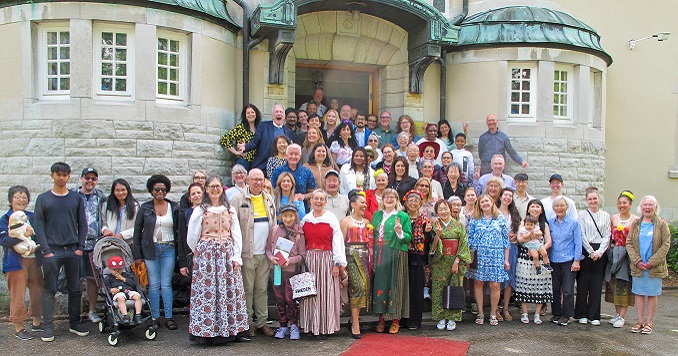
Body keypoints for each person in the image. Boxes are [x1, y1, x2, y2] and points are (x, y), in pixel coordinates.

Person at [186, 176, 250, 343]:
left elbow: (237, 234)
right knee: (208, 293)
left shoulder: (229, 209)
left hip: (227, 253)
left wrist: (236, 256)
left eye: (218, 186)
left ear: (222, 188)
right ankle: (208, 332)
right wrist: (200, 252)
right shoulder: (200, 210)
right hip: (207, 255)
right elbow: (192, 236)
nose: (215, 189)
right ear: (206, 189)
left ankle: (231, 330)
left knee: (228, 291)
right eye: (212, 186)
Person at [33, 162, 88, 341]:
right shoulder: (43, 199)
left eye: (65, 175)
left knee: (75, 289)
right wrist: (46, 250)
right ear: (52, 176)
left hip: (73, 251)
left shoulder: (76, 198)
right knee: (50, 290)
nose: (61, 178)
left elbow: (83, 224)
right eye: (58, 174)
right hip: (52, 252)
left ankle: (74, 323)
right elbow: (39, 226)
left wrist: (80, 248)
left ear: (69, 176)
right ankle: (48, 327)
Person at [230, 169, 277, 337]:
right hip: (247, 253)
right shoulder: (238, 199)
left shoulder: (269, 198)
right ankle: (247, 322)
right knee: (247, 289)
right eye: (255, 179)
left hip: (265, 254)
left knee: (262, 289)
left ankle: (262, 322)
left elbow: (275, 226)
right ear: (248, 180)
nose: (258, 182)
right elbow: (232, 227)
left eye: (261, 179)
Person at [132, 174, 180, 330]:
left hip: (169, 249)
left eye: (163, 189)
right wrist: (138, 255)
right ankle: (154, 317)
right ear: (151, 191)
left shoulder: (174, 207)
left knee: (166, 284)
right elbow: (137, 232)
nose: (160, 192)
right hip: (150, 249)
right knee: (153, 285)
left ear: (167, 191)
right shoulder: (145, 208)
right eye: (157, 189)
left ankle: (168, 317)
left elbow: (180, 230)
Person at [300, 189, 347, 336]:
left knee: (326, 292)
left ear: (326, 202)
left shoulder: (331, 219)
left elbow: (337, 242)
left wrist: (336, 263)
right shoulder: (306, 219)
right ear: (311, 201)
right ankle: (311, 325)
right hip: (309, 259)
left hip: (326, 258)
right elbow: (301, 241)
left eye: (321, 199)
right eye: (316, 199)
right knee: (310, 293)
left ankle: (326, 326)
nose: (318, 201)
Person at [0, 185, 43, 340]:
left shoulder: (32, 216)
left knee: (38, 290)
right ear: (11, 200)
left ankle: (37, 323)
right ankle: (19, 327)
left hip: (34, 261)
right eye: (17, 196)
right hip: (15, 262)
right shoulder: (5, 219)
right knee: (17, 295)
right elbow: (3, 239)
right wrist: (22, 235)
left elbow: (40, 236)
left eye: (24, 196)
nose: (21, 199)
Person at [626, 195, 671, 335]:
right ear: (641, 207)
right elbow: (629, 243)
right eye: (645, 205)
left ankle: (649, 323)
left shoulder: (661, 223)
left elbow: (665, 244)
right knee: (639, 293)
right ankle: (639, 321)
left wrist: (652, 261)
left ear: (655, 207)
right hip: (638, 265)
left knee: (652, 294)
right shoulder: (636, 223)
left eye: (650, 205)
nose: (647, 207)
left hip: (654, 267)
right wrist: (637, 261)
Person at [372, 188, 412, 334]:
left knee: (396, 284)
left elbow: (408, 238)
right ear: (382, 200)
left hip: (396, 252)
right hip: (379, 253)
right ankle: (381, 319)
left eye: (392, 197)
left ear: (397, 200)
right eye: (386, 197)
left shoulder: (402, 216)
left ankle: (395, 320)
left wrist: (399, 231)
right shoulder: (377, 215)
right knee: (380, 283)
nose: (389, 199)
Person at [467, 194, 509, 326]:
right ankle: (480, 312)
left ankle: (493, 312)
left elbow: (506, 241)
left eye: (487, 201)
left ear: (492, 203)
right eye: (482, 202)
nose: (485, 203)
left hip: (496, 256)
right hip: (479, 257)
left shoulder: (500, 219)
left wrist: (506, 260)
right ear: (479, 204)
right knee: (478, 283)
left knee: (495, 286)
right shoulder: (475, 219)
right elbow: (469, 239)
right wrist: (468, 258)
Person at [266, 203, 306, 340]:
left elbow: (302, 255)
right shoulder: (274, 230)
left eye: (291, 216)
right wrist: (272, 258)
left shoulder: (299, 232)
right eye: (285, 216)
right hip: (276, 269)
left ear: (295, 216)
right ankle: (283, 325)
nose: (288, 219)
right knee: (279, 297)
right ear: (281, 217)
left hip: (291, 270)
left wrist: (291, 260)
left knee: (290, 298)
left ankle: (294, 325)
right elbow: (268, 249)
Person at [431, 200, 471, 332]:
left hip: (455, 262)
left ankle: (452, 318)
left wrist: (457, 261)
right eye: (440, 209)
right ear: (437, 212)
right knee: (438, 290)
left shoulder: (459, 225)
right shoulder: (434, 226)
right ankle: (441, 317)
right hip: (440, 262)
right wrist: (437, 235)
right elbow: (431, 248)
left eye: (445, 208)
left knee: (454, 289)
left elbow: (464, 244)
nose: (443, 211)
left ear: (450, 209)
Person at [74, 167, 107, 324]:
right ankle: (76, 312)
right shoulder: (72, 196)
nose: (90, 181)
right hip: (77, 245)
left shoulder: (101, 197)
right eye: (87, 178)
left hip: (95, 245)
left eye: (93, 179)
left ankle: (92, 311)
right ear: (81, 178)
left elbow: (104, 217)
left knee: (92, 279)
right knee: (76, 280)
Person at [340, 190, 373, 339]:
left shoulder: (367, 223)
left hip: (365, 259)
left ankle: (353, 319)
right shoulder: (345, 221)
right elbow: (341, 244)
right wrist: (342, 265)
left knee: (364, 288)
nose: (364, 205)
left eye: (366, 202)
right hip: (351, 258)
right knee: (357, 288)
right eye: (362, 202)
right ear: (353, 204)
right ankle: (355, 324)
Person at [575, 187, 610, 326]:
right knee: (583, 283)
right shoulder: (582, 214)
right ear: (586, 200)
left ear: (599, 199)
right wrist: (590, 251)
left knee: (596, 284)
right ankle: (581, 314)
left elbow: (607, 235)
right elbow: (581, 234)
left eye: (595, 198)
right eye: (590, 199)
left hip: (600, 251)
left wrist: (600, 252)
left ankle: (594, 315)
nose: (593, 201)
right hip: (586, 249)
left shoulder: (606, 215)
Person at [514, 199, 553, 324]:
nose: (535, 209)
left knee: (540, 285)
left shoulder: (544, 224)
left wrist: (539, 249)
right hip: (525, 256)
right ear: (528, 209)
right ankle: (524, 313)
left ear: (541, 210)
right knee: (524, 285)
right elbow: (519, 238)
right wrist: (530, 243)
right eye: (532, 207)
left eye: (537, 207)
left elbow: (548, 242)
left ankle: (537, 314)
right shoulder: (523, 222)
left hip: (540, 256)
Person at [401, 189, 434, 331]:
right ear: (406, 202)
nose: (413, 203)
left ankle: (414, 320)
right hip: (403, 256)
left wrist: (428, 232)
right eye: (410, 200)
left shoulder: (424, 219)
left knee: (416, 289)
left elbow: (431, 241)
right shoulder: (401, 218)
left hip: (418, 258)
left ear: (420, 203)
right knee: (403, 288)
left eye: (416, 201)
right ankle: (402, 318)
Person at [605, 190, 638, 328]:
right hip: (614, 253)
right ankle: (617, 314)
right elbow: (608, 236)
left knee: (624, 284)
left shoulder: (636, 219)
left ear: (630, 204)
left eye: (625, 203)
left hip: (627, 254)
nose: (622, 205)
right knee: (614, 284)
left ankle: (622, 316)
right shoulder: (613, 217)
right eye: (619, 203)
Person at [548, 196, 583, 326]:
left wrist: (577, 260)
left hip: (569, 260)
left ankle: (567, 315)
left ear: (567, 207)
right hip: (554, 260)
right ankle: (556, 313)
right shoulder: (550, 222)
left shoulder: (574, 223)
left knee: (568, 289)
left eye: (562, 205)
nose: (559, 208)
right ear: (553, 208)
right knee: (555, 288)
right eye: (557, 206)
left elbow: (578, 243)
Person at [238, 104, 295, 174]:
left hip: (282, 167)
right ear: (272, 116)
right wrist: (245, 147)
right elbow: (255, 142)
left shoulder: (288, 131)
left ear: (284, 116)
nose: (279, 114)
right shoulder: (263, 126)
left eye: (281, 112)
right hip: (263, 165)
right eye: (276, 112)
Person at [495, 188, 521, 322]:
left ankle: (505, 308)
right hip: (497, 248)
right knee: (498, 279)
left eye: (510, 196)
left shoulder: (514, 213)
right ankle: (496, 309)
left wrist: (515, 235)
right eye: (505, 195)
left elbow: (520, 230)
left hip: (512, 248)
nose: (507, 198)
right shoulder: (494, 211)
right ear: (500, 196)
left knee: (510, 278)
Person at [221, 104, 262, 170]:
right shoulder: (241, 128)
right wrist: (236, 152)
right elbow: (225, 140)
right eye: (248, 113)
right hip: (244, 161)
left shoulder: (260, 128)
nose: (250, 114)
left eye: (252, 112)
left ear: (256, 114)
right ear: (245, 115)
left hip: (257, 163)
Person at [104, 256, 142, 325]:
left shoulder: (127, 275)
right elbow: (105, 289)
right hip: (118, 293)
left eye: (119, 269)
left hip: (128, 291)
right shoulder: (108, 278)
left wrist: (123, 279)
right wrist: (111, 290)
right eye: (114, 270)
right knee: (121, 298)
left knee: (138, 296)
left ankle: (138, 315)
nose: (117, 272)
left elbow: (133, 284)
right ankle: (125, 316)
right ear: (110, 269)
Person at [177, 182, 204, 277]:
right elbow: (181, 238)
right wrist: (183, 263)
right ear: (189, 198)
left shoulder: (211, 210)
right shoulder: (186, 214)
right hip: (192, 255)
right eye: (193, 194)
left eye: (198, 192)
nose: (196, 195)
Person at [102, 179, 139, 246]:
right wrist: (105, 230)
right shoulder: (107, 205)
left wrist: (123, 235)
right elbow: (103, 222)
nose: (120, 193)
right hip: (109, 243)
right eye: (117, 190)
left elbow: (138, 228)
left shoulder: (135, 206)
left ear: (127, 190)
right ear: (113, 191)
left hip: (128, 244)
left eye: (123, 190)